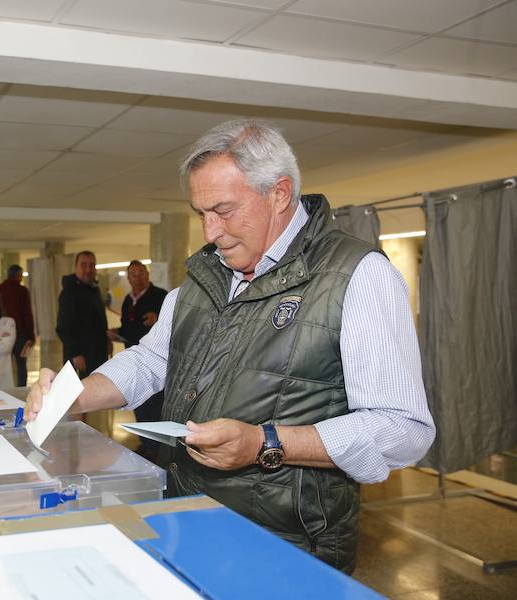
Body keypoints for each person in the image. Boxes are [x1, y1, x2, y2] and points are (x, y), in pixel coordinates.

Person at [27, 119, 435, 574]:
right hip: (189, 515)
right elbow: (152, 359)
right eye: (201, 213)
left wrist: (265, 443)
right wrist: (77, 396)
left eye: (223, 210)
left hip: (286, 544)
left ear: (279, 194)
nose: (210, 231)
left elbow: (403, 429)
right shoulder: (204, 279)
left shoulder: (357, 276)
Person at [108, 260, 168, 458]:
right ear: (128, 278)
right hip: (134, 361)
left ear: (148, 274)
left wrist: (158, 317)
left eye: (141, 273)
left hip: (155, 364)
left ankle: (159, 450)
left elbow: (175, 323)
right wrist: (116, 332)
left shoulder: (161, 296)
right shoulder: (128, 300)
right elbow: (127, 327)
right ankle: (147, 444)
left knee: (155, 407)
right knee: (138, 404)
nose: (138, 277)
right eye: (134, 274)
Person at [56, 251, 109, 377]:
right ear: (76, 268)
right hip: (81, 358)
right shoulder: (69, 293)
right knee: (82, 394)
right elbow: (63, 328)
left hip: (97, 355)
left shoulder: (93, 290)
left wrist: (106, 341)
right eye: (83, 265)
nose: (88, 269)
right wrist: (75, 354)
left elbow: (97, 320)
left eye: (92, 265)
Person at [0, 264, 35, 386]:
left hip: (2, 334)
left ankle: (3, 388)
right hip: (21, 334)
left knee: (2, 364)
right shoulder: (22, 291)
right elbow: (27, 314)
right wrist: (31, 335)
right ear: (18, 276)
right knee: (21, 365)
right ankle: (21, 389)